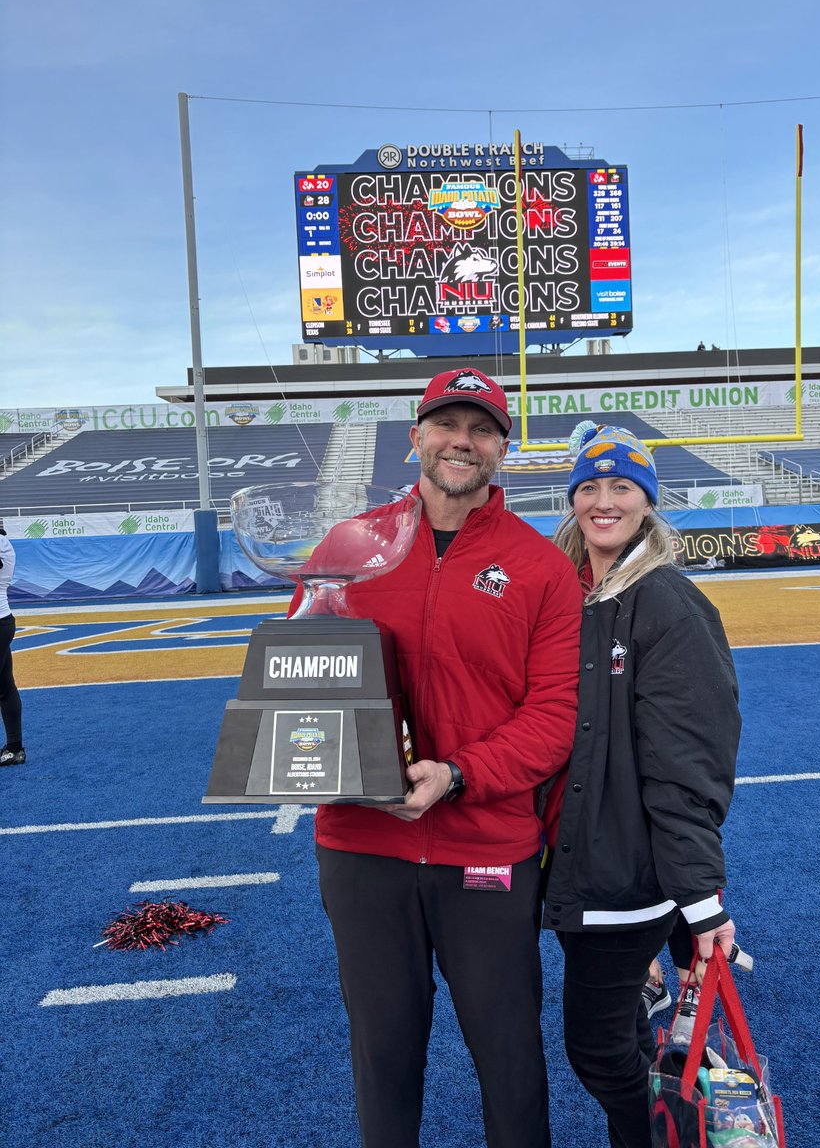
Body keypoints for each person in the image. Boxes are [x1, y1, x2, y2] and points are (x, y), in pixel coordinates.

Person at [288, 367, 582, 1148]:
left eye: (482, 429)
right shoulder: (349, 545)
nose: (463, 441)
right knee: (383, 1054)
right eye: (448, 424)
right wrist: (309, 757)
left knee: (509, 1054)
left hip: (486, 845)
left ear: (502, 449)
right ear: (416, 435)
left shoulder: (541, 567)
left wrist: (458, 774)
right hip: (362, 844)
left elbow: (555, 716)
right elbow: (303, 676)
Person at [541, 422, 742, 1148]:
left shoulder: (667, 602)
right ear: (571, 499)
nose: (604, 500)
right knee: (620, 1026)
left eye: (622, 486)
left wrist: (700, 899)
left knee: (596, 1051)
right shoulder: (564, 590)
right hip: (569, 855)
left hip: (623, 874)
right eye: (590, 486)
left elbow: (687, 762)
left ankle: (656, 1136)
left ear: (648, 501)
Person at [0, 523, 25, 767]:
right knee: (5, 687)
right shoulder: (5, 545)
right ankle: (14, 748)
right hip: (3, 621)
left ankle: (15, 748)